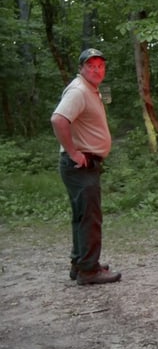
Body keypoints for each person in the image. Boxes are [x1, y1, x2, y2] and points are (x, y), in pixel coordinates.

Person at [51, 48, 122, 285]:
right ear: (81, 68)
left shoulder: (91, 90)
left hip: (86, 165)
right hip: (80, 166)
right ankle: (89, 270)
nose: (96, 70)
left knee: (82, 215)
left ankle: (80, 262)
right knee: (89, 217)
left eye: (100, 66)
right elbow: (58, 119)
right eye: (91, 65)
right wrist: (72, 152)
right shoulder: (79, 90)